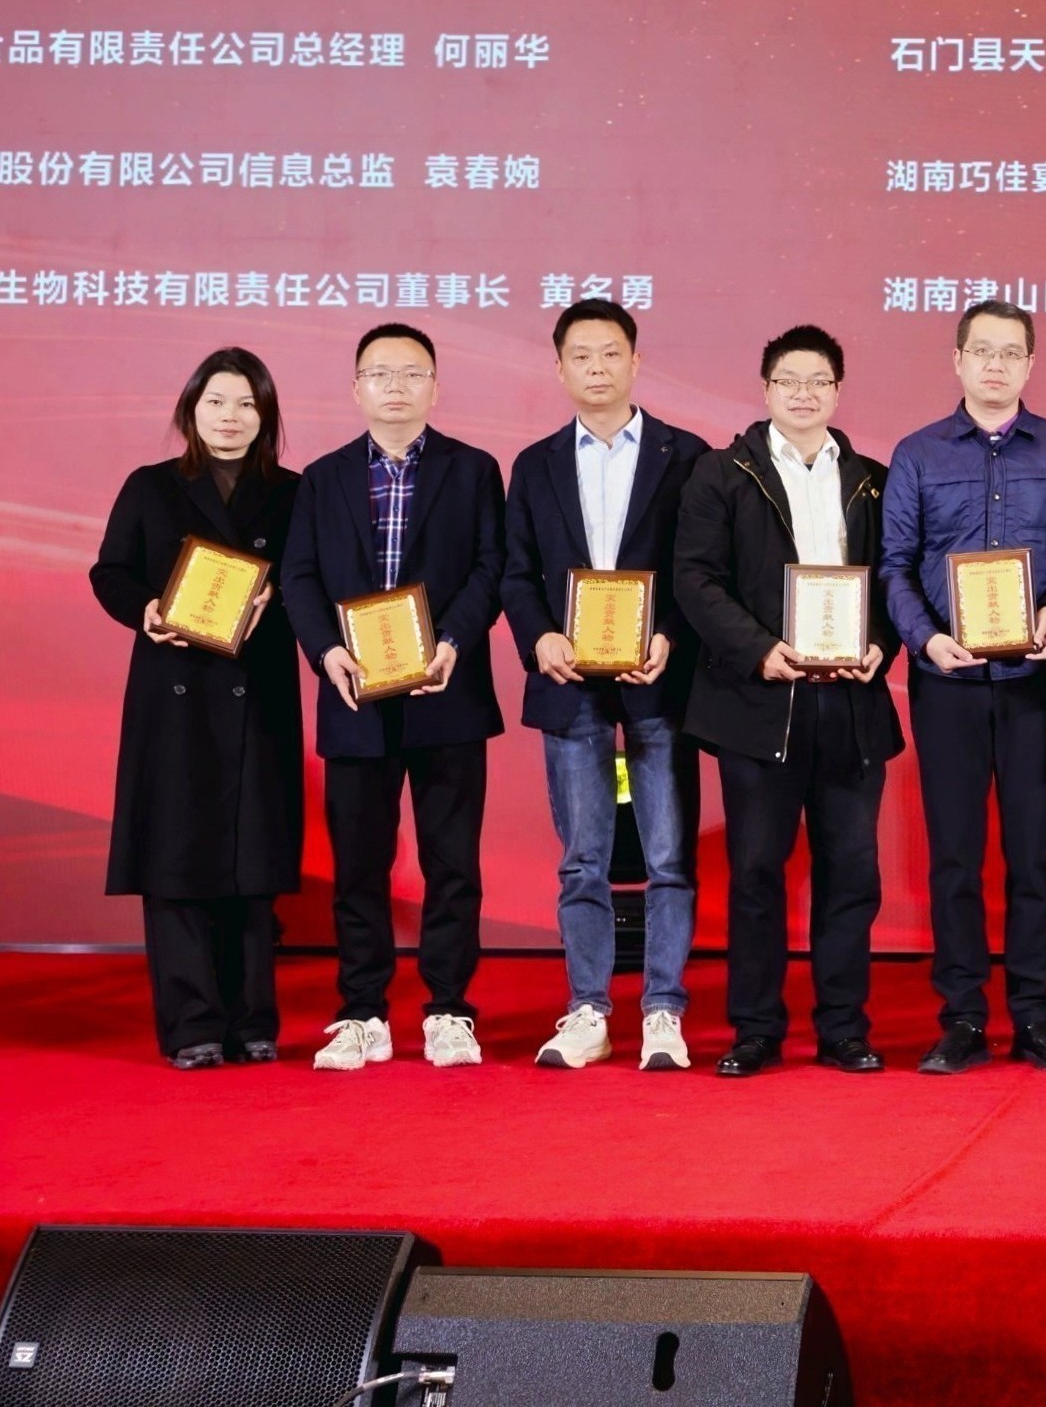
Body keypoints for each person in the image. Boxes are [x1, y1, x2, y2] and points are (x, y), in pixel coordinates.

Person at [278, 323, 507, 1071]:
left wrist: (454, 641)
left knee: (452, 865)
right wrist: (328, 652)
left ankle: (449, 1009)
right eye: (380, 373)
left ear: (435, 387)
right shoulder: (323, 478)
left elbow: (490, 567)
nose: (396, 386)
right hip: (355, 695)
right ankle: (362, 1012)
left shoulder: (474, 470)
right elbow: (299, 576)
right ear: (357, 389)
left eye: (412, 373)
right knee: (359, 865)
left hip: (447, 690)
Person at [673, 326, 901, 1078]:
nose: (804, 393)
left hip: (850, 706)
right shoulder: (721, 473)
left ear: (838, 391)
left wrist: (881, 643)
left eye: (819, 381)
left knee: (852, 875)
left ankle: (843, 1028)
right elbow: (695, 578)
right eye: (789, 380)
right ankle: (755, 1029)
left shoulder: (871, 478)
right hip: (759, 703)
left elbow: (895, 577)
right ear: (765, 388)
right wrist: (758, 650)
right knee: (756, 874)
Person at [880, 299, 1046, 1077]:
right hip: (947, 680)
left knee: (1032, 854)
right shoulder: (917, 453)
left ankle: (1035, 1014)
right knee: (955, 856)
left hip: (1034, 680)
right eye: (982, 351)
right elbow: (894, 564)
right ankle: (963, 1015)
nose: (995, 365)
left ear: (1030, 365)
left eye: (1010, 353)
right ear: (958, 361)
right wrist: (925, 639)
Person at [499, 298, 711, 1073]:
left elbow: (699, 569)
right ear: (559, 369)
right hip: (569, 683)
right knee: (582, 858)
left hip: (658, 679)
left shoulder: (687, 457)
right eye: (581, 356)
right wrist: (540, 637)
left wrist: (669, 635)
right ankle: (588, 1008)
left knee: (668, 857)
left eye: (610, 353)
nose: (597, 368)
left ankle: (663, 1010)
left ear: (635, 361)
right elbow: (516, 573)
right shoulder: (536, 464)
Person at [90, 348, 304, 1068]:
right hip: (174, 692)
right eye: (216, 402)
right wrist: (146, 609)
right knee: (176, 857)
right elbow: (109, 571)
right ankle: (192, 1026)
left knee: (252, 858)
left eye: (246, 404)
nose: (230, 417)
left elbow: (313, 579)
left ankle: (252, 1020)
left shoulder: (294, 492)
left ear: (266, 416)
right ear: (191, 409)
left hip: (257, 691)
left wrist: (279, 596)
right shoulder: (150, 486)